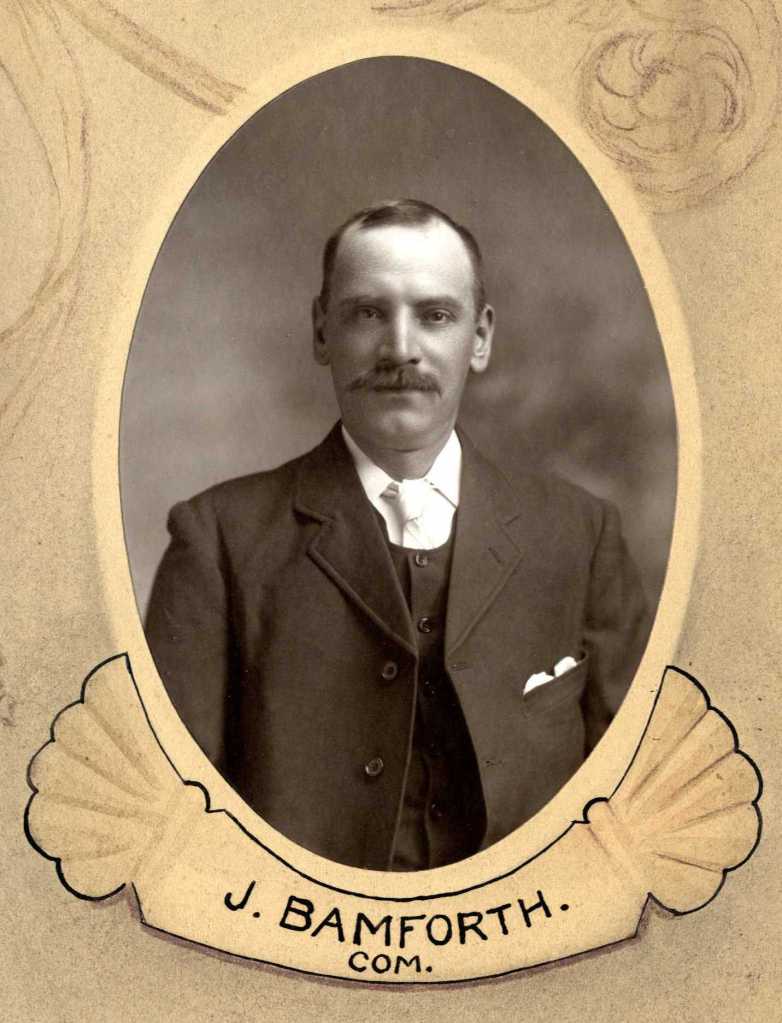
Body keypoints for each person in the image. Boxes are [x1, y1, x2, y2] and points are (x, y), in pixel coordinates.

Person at [145, 199, 651, 871]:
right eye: (367, 313)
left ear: (480, 338)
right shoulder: (217, 540)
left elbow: (635, 809)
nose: (400, 349)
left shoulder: (580, 536)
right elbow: (174, 826)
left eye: (435, 315)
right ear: (321, 331)